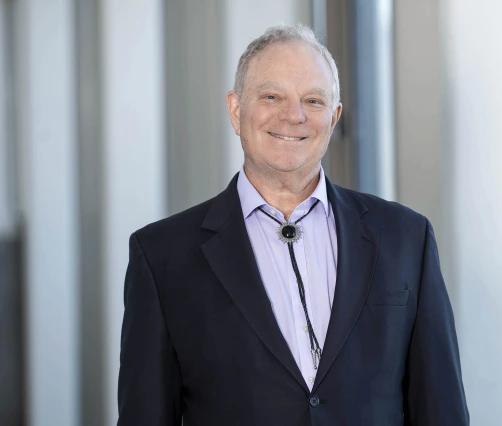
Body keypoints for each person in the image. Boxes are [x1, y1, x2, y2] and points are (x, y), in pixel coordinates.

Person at [117, 24, 469, 426]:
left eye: (313, 100)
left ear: (334, 117)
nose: (294, 115)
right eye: (271, 96)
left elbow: (443, 412)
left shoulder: (407, 238)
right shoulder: (162, 256)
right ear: (236, 110)